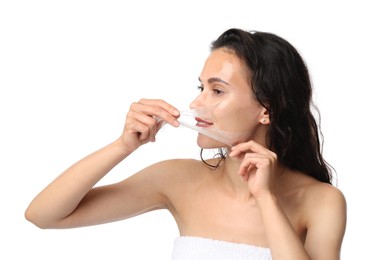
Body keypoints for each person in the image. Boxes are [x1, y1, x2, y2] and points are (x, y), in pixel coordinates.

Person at [25, 28, 347, 259]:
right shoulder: (178, 179)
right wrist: (123, 146)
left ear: (267, 110)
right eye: (201, 87)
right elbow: (43, 215)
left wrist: (265, 198)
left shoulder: (321, 202)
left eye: (217, 91)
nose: (196, 103)